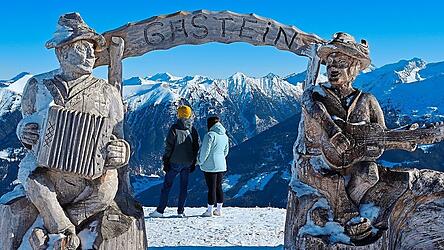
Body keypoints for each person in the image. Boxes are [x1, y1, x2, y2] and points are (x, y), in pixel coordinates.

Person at [17, 13, 130, 249]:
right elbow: (26, 120)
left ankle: (60, 224)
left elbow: (118, 135)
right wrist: (23, 132)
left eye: (92, 48)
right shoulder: (37, 85)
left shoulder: (107, 93)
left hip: (90, 177)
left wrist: (121, 152)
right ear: (62, 51)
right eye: (83, 47)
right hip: (48, 172)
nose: (92, 54)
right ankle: (62, 230)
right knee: (30, 175)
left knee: (108, 186)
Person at [294, 32, 386, 241]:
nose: (333, 69)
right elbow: (314, 109)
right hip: (317, 163)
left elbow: (380, 137)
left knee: (370, 173)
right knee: (331, 179)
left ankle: (350, 214)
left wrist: (369, 148)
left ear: (354, 68)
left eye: (341, 63)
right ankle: (348, 220)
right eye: (330, 64)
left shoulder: (367, 100)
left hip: (352, 163)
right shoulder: (315, 94)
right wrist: (334, 132)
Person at [149, 105, 199, 218]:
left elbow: (169, 147)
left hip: (174, 162)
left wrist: (166, 161)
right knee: (184, 187)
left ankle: (160, 211)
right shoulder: (193, 130)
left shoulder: (174, 128)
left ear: (179, 114)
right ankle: (180, 211)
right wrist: (193, 161)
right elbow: (196, 146)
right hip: (188, 162)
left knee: (167, 186)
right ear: (189, 115)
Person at [197, 116, 229, 217]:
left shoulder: (209, 135)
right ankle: (219, 210)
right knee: (219, 187)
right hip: (221, 164)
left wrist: (199, 162)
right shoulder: (225, 136)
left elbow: (205, 152)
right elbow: (226, 151)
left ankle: (209, 210)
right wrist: (220, 159)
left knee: (211, 188)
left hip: (210, 166)